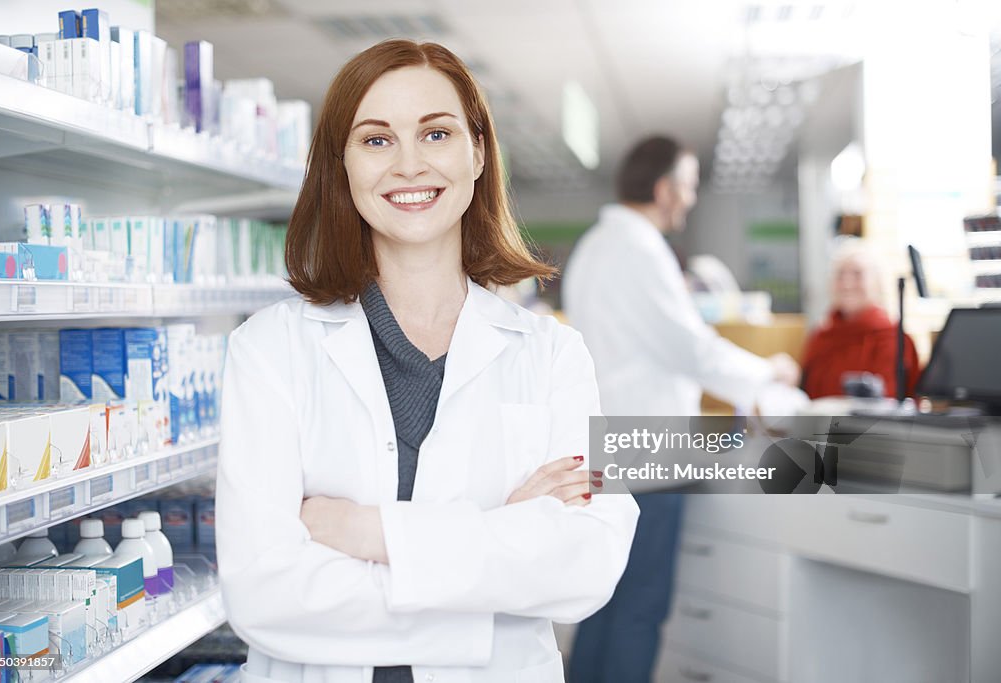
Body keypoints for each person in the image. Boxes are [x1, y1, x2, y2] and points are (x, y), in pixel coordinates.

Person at [216, 40, 639, 683]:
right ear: (344, 167)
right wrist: (498, 552)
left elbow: (590, 560)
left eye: (435, 133)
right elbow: (264, 593)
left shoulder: (554, 355)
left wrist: (370, 533)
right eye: (376, 140)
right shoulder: (268, 350)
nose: (408, 165)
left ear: (476, 153)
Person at [561, 135, 802, 682]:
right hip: (650, 448)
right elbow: (687, 346)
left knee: (605, 602)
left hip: (610, 440)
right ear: (665, 187)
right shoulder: (640, 249)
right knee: (640, 607)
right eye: (689, 185)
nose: (691, 198)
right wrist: (768, 374)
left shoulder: (596, 245)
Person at [801, 238, 920, 399]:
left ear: (877, 282)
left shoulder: (893, 339)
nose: (847, 284)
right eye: (840, 275)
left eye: (858, 274)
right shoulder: (821, 336)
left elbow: (890, 401)